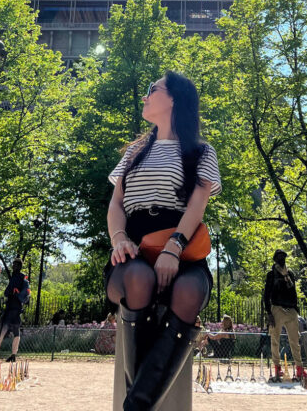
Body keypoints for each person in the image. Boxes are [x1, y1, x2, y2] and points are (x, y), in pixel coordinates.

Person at [105, 71, 221, 411]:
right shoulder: (135, 152)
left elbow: (198, 205)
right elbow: (115, 204)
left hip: (183, 250)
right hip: (134, 250)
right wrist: (119, 238)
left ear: (173, 99)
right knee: (139, 278)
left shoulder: (200, 151)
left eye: (151, 90)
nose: (145, 96)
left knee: (189, 291)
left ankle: (135, 406)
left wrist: (174, 246)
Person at [263, 250, 306, 382]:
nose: (282, 258)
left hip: (291, 309)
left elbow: (294, 292)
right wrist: (269, 312)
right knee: (275, 339)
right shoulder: (271, 275)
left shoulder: (290, 274)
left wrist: (295, 308)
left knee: (295, 340)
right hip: (277, 308)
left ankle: (299, 368)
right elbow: (266, 294)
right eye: (279, 256)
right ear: (275, 259)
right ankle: (277, 367)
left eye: (284, 256)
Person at [0, 258, 30, 363]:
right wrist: (10, 292)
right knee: (0, 329)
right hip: (9, 307)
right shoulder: (13, 277)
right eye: (13, 265)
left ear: (19, 266)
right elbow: (6, 292)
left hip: (16, 308)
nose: (13, 266)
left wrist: (17, 294)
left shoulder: (23, 278)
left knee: (15, 331)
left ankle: (13, 355)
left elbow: (26, 292)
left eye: (15, 265)